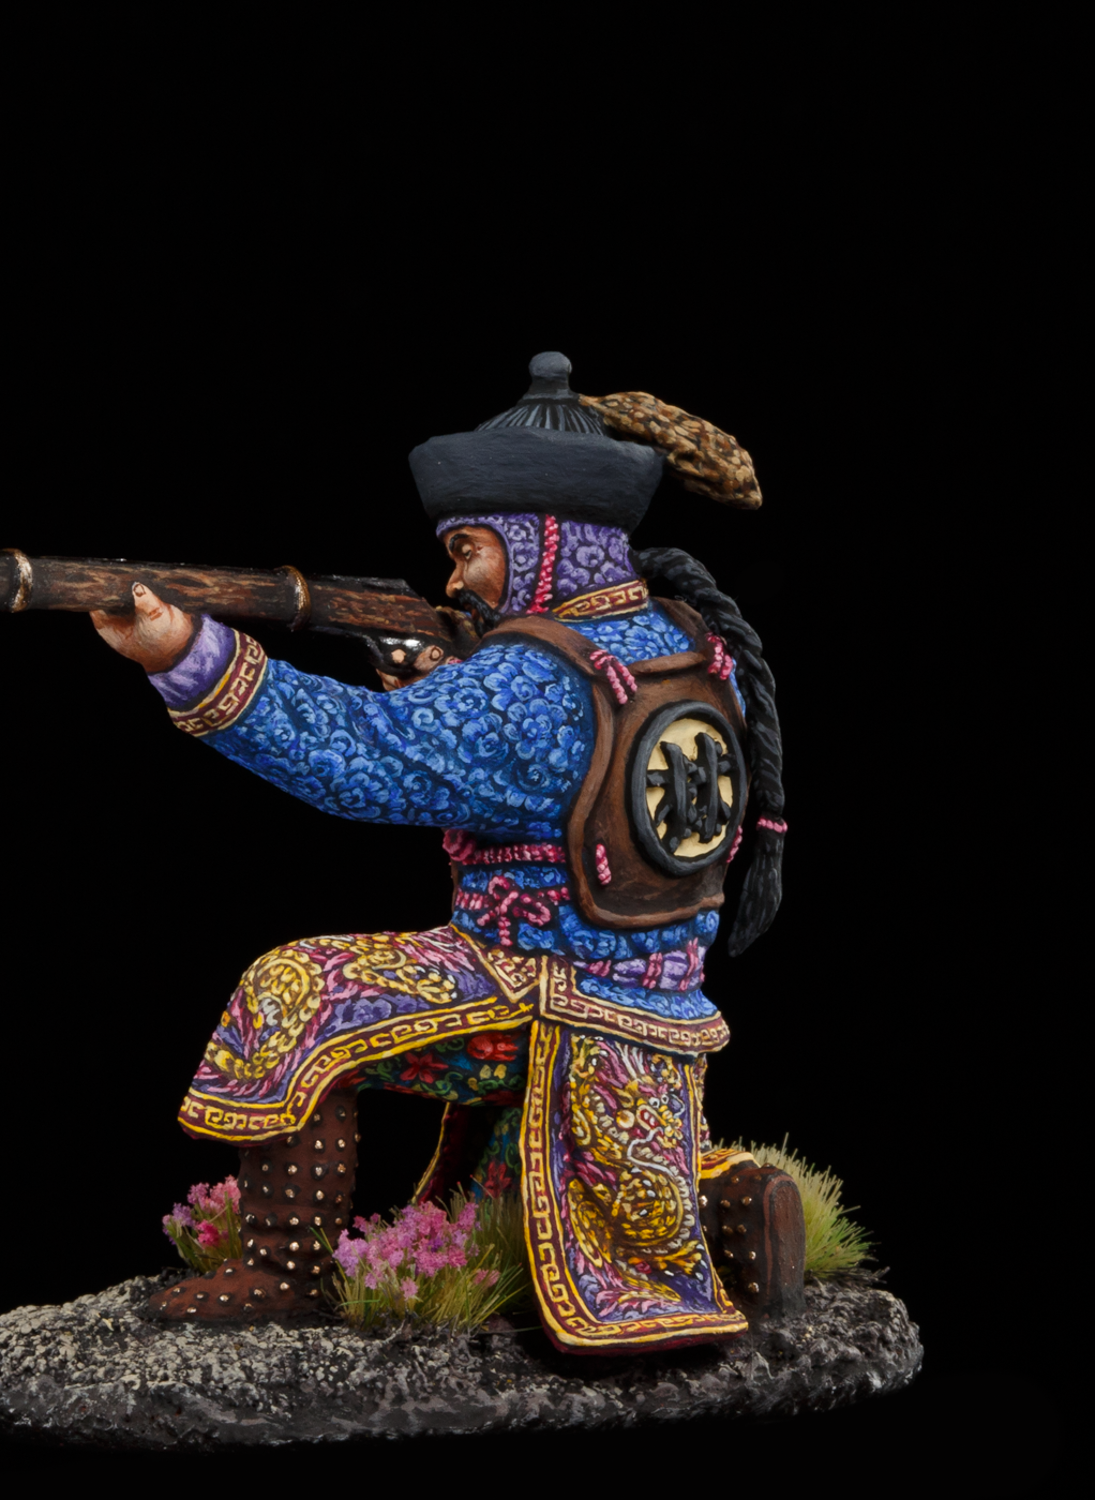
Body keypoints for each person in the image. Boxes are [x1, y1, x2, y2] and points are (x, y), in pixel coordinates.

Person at [91, 353, 792, 1354]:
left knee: (296, 988)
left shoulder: (527, 682)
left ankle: (285, 1274)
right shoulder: (685, 639)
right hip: (658, 1007)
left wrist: (190, 658)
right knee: (597, 1199)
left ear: (542, 541)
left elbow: (366, 760)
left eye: (468, 550)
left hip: (530, 986)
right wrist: (441, 675)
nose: (453, 579)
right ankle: (718, 1195)